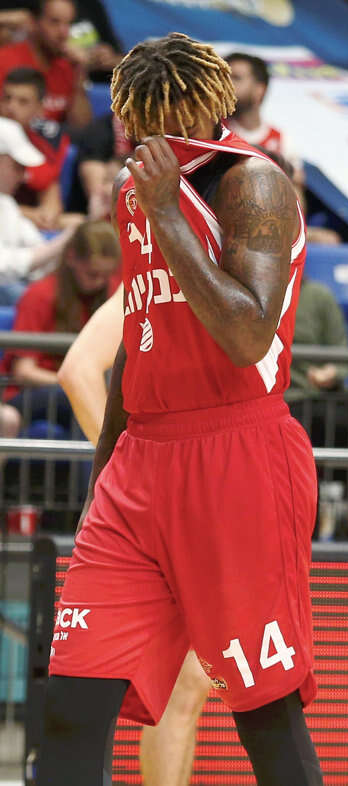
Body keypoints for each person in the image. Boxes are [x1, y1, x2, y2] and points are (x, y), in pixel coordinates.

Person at [40, 33, 322, 785]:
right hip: (140, 463)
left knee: (264, 712)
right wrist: (105, 476)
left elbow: (246, 334)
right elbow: (141, 337)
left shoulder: (253, 184)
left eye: (164, 117)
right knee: (72, 704)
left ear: (204, 107)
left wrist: (168, 214)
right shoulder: (135, 189)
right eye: (138, 121)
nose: (150, 134)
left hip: (238, 454)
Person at [55, 283, 215, 786]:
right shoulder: (157, 273)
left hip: (201, 494)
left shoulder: (222, 274)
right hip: (156, 501)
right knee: (179, 682)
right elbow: (78, 369)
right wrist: (129, 465)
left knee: (189, 682)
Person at [1, 219, 117, 433]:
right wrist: (79, 383)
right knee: (84, 399)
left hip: (80, 388)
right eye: (92, 274)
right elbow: (24, 372)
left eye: (106, 275)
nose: (100, 282)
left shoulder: (113, 294)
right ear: (71, 257)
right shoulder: (40, 295)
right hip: (30, 393)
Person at [0, 115, 74, 304]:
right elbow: (3, 267)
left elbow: (40, 254)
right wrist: (63, 241)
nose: (23, 176)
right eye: (17, 167)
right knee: (37, 300)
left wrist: (76, 235)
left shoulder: (6, 204)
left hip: (14, 287)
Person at [0, 0, 88, 128]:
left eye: (68, 24)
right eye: (54, 22)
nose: (63, 33)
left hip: (53, 139)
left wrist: (80, 73)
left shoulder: (69, 67)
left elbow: (80, 128)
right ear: (33, 22)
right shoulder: (4, 60)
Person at [2, 66, 68, 229]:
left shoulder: (44, 143)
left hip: (19, 222)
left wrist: (46, 216)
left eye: (23, 101)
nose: (11, 107)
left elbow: (51, 199)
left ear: (39, 108)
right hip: (13, 217)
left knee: (77, 223)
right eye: (6, 98)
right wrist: (28, 214)